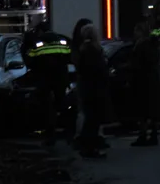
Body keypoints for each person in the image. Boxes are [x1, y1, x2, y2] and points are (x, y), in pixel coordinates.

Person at [21, 20, 73, 147]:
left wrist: (25, 44)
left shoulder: (37, 42)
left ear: (40, 30)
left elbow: (29, 60)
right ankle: (70, 133)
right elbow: (70, 56)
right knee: (64, 105)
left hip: (44, 79)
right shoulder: (63, 39)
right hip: (61, 78)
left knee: (47, 108)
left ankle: (50, 136)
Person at [75, 23, 109, 158]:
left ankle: (89, 147)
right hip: (94, 89)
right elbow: (97, 70)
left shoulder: (84, 49)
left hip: (88, 89)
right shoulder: (92, 50)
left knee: (91, 119)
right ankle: (89, 148)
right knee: (93, 120)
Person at [131, 21, 160, 146]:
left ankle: (144, 135)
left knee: (143, 110)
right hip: (151, 80)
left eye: (136, 31)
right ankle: (152, 134)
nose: (134, 33)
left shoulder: (142, 45)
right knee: (150, 109)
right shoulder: (151, 45)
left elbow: (139, 63)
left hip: (144, 81)